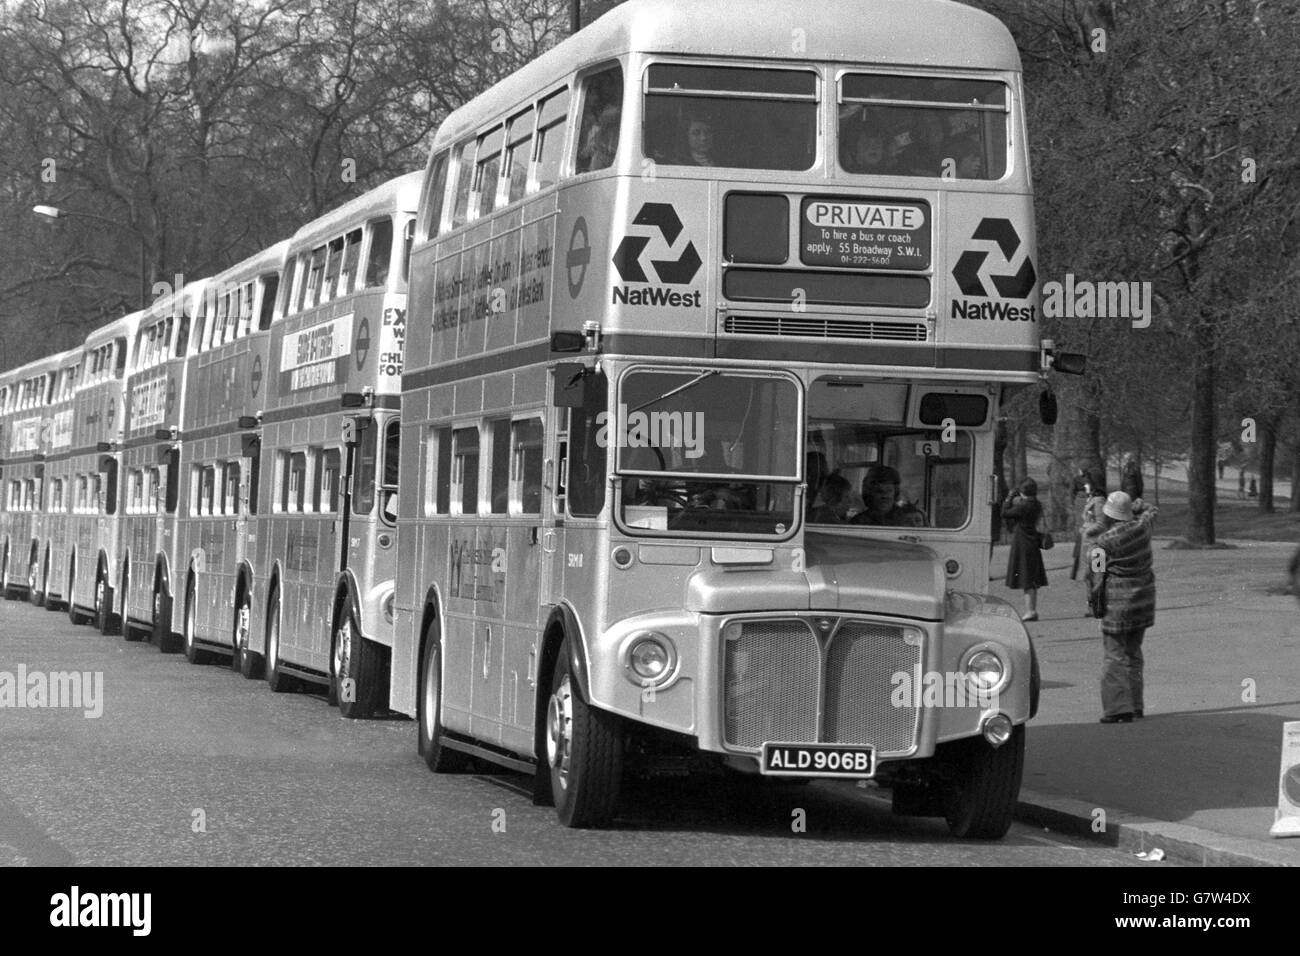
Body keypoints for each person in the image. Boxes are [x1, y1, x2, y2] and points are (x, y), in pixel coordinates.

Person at [1085, 491, 1158, 723]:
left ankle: (1118, 708)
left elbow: (1096, 578)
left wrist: (1096, 608)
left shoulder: (1102, 543)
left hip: (1117, 604)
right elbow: (1152, 510)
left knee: (1114, 656)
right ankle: (1136, 705)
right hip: (1143, 600)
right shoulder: (1143, 527)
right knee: (1134, 653)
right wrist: (1137, 506)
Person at [1002, 478, 1049, 621]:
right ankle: (1032, 609)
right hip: (1033, 542)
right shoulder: (1037, 505)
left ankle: (1030, 611)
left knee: (1026, 578)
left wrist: (1009, 498)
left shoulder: (1023, 507)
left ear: (1022, 492)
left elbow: (1005, 513)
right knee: (1032, 578)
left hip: (1022, 542)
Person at [851, 465, 923, 527]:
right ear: (870, 494)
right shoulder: (859, 521)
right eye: (879, 492)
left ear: (895, 492)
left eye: (889, 491)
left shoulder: (907, 517)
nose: (884, 496)